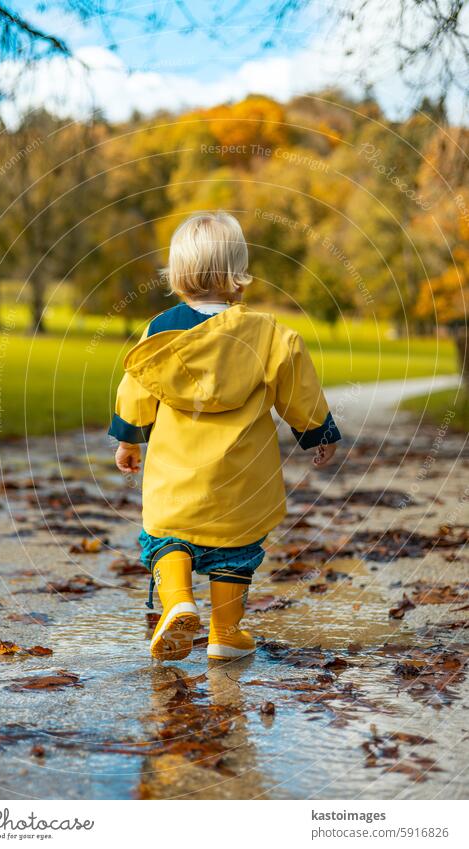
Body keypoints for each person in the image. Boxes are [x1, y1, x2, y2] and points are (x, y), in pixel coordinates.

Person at [109, 211, 341, 662]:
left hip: (176, 476)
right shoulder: (268, 334)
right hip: (240, 479)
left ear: (177, 274)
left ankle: (177, 601)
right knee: (234, 551)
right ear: (239, 276)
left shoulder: (161, 332)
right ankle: (225, 633)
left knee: (166, 537)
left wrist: (128, 441)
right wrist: (318, 433)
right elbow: (299, 386)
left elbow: (136, 388)